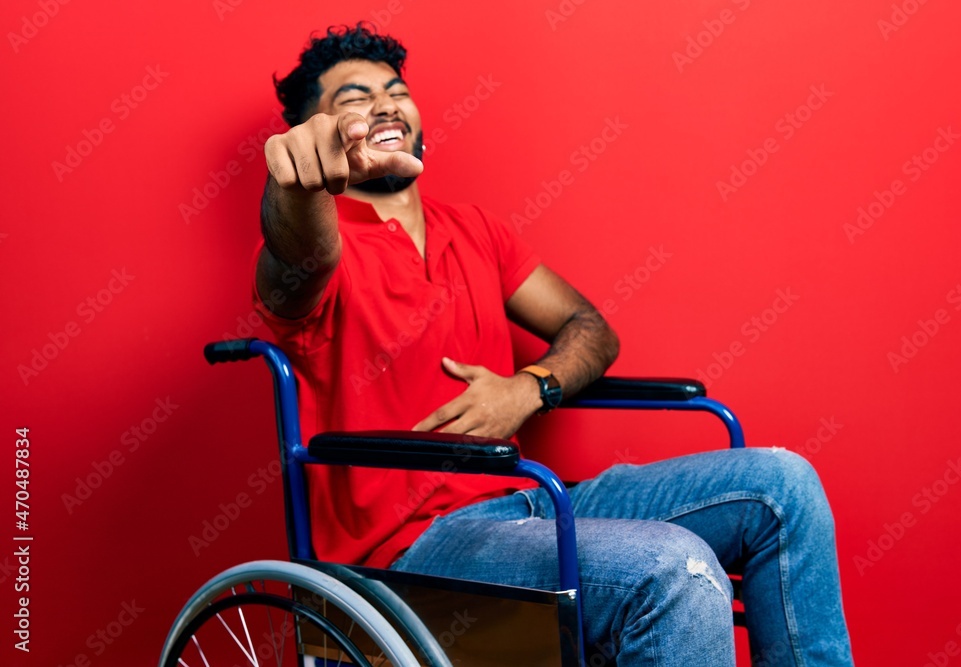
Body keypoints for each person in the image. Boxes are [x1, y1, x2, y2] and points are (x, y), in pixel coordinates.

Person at [252, 22, 853, 666]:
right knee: (675, 567)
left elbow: (592, 329)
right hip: (416, 547)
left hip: (529, 500)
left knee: (784, 486)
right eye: (352, 98)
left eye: (394, 90)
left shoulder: (476, 231)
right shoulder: (324, 250)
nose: (382, 106)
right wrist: (298, 184)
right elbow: (299, 256)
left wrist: (529, 389)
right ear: (311, 129)